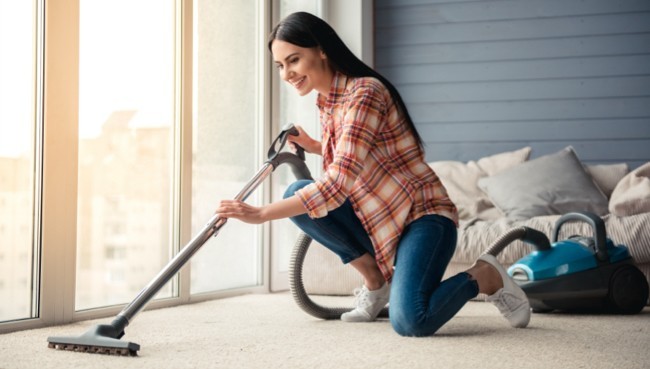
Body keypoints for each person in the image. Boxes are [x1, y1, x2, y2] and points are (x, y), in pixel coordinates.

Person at [216, 11, 530, 336]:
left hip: (422, 218)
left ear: (321, 49)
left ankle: (485, 276)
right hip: (377, 218)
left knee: (411, 321)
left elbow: (337, 186)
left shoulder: (365, 92)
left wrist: (261, 213)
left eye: (293, 60)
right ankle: (376, 282)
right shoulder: (326, 102)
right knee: (295, 189)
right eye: (280, 66)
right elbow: (360, 154)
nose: (286, 74)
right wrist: (313, 144)